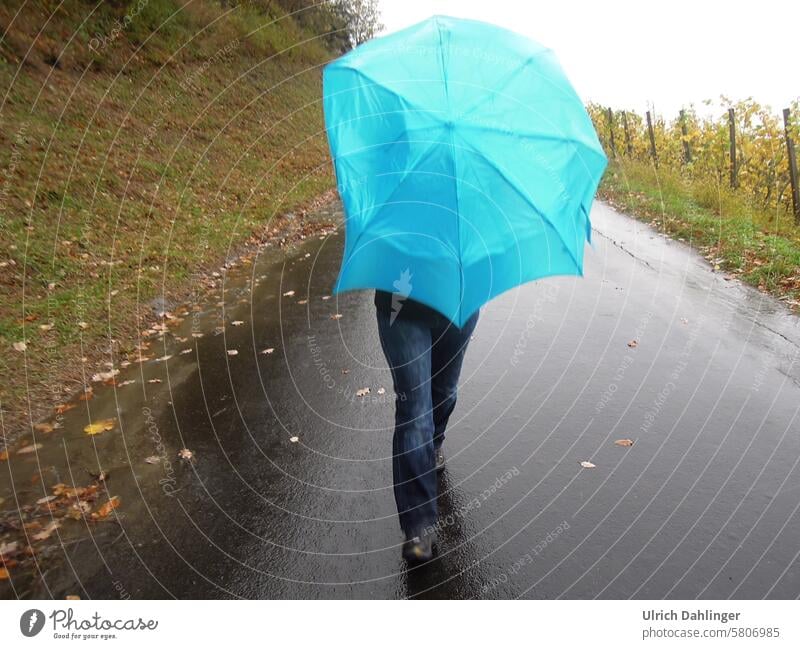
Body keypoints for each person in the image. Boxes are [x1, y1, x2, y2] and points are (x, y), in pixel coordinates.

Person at [374, 288, 479, 563]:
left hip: (459, 303)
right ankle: (418, 528)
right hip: (401, 306)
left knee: (445, 391)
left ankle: (433, 445)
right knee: (416, 414)